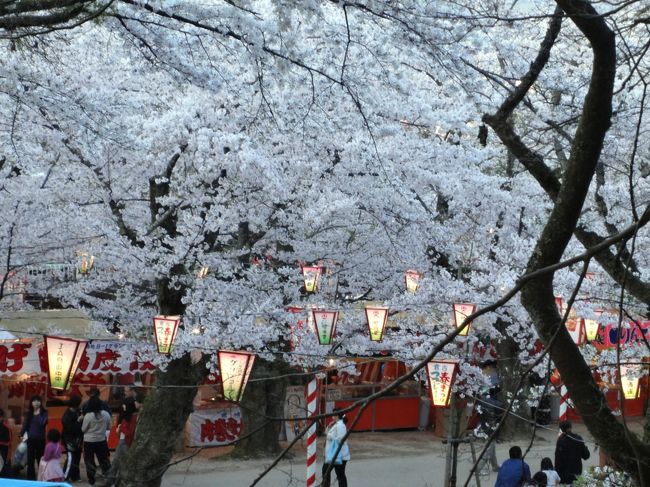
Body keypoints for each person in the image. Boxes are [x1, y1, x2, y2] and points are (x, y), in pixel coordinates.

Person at [106, 397, 138, 485]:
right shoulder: (126, 416)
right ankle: (111, 481)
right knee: (116, 462)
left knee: (121, 463)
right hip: (122, 440)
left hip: (126, 442)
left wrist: (121, 429)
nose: (123, 408)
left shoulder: (133, 417)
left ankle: (117, 482)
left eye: (125, 406)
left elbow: (130, 432)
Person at [82, 396, 112, 485]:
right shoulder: (106, 414)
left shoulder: (88, 416)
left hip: (89, 442)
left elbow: (83, 429)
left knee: (89, 460)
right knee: (103, 459)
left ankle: (91, 479)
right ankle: (108, 476)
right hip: (101, 440)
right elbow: (109, 427)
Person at [20, 394, 48, 480]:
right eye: (34, 401)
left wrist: (38, 413)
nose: (36, 403)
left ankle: (41, 477)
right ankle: (30, 478)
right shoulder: (29, 413)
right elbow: (25, 425)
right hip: (30, 439)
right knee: (30, 460)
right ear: (31, 403)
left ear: (41, 402)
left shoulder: (44, 412)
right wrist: (21, 434)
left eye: (38, 401)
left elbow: (42, 423)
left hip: (40, 439)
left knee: (40, 459)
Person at [554, 420, 589, 484]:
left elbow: (557, 460)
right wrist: (584, 446)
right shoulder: (578, 438)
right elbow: (586, 456)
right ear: (570, 428)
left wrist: (557, 474)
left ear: (561, 429)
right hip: (576, 473)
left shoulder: (561, 441)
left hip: (564, 474)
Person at [476, 392, 503, 475]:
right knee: (489, 449)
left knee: (491, 447)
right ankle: (478, 469)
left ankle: (495, 466)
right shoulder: (495, 403)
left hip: (484, 426)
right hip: (492, 427)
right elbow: (499, 415)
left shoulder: (480, 402)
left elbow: (479, 415)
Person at [322, 409, 349, 487]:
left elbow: (341, 439)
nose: (332, 415)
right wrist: (329, 426)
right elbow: (326, 433)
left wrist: (329, 436)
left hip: (338, 455)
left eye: (333, 414)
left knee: (336, 474)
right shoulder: (336, 424)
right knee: (337, 474)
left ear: (337, 415)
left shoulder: (340, 425)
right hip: (333, 454)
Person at [62, 394, 84, 482]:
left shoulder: (79, 411)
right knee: (71, 458)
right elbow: (70, 428)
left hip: (78, 439)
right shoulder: (66, 415)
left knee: (77, 458)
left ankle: (75, 476)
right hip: (69, 440)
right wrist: (78, 421)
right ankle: (65, 476)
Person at [0, 408, 12, 477]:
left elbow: (8, 441)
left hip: (4, 449)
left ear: (1, 417)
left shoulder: (6, 427)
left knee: (4, 468)